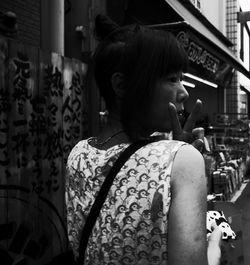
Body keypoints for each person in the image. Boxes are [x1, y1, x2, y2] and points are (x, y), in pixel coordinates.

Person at [65, 15, 222, 265]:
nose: (184, 91)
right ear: (122, 85)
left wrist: (175, 151)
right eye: (172, 79)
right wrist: (213, 252)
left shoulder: (78, 155)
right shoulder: (182, 161)